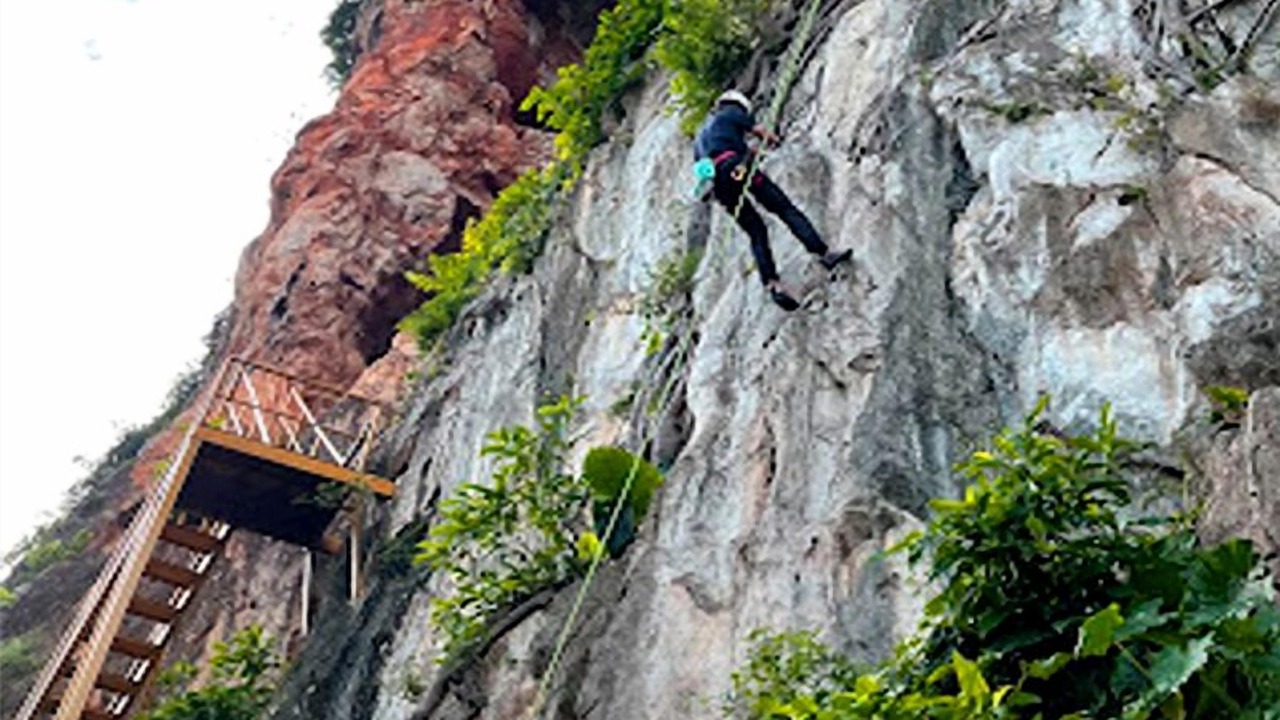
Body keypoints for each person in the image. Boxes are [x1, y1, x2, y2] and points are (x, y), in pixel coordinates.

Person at [694, 89, 851, 311]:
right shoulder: (730, 113)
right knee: (784, 209)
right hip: (738, 167)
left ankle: (772, 284)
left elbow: (703, 167)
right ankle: (823, 253)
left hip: (719, 184)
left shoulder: (701, 137)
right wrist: (774, 140)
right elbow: (761, 133)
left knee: (756, 231)